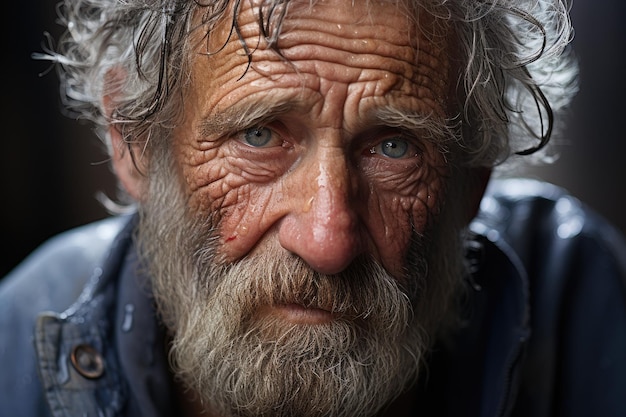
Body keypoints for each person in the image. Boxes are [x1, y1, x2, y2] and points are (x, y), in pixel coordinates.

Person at [1, 0, 625, 415]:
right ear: (134, 141)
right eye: (260, 135)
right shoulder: (15, 351)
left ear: (473, 180)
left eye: (394, 147)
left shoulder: (578, 301)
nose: (329, 240)